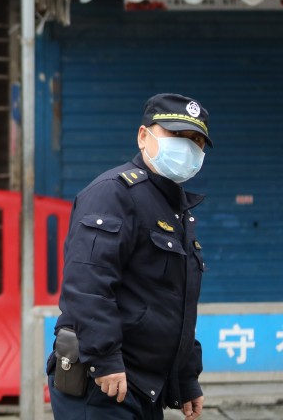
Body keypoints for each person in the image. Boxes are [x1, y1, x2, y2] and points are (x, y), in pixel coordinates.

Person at [47, 93, 211, 420]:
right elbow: (87, 284)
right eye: (176, 134)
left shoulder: (176, 208)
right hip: (103, 384)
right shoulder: (113, 193)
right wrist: (105, 359)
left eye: (196, 141)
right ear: (143, 136)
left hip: (144, 386)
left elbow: (175, 303)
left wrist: (186, 377)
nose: (187, 147)